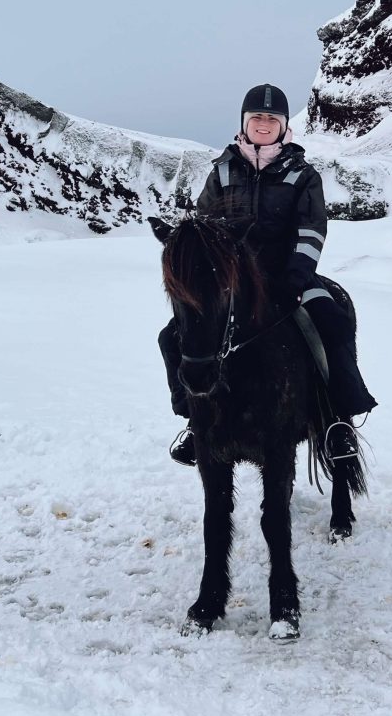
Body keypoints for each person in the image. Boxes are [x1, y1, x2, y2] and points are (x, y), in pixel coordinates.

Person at [160, 83, 377, 465]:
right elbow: (203, 230)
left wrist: (295, 276)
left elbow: (312, 230)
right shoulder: (223, 171)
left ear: (283, 126)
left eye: (271, 118)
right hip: (234, 284)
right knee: (171, 337)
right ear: (244, 123)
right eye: (256, 117)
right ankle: (195, 423)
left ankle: (337, 421)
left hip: (289, 276)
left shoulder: (302, 173)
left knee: (333, 323)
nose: (263, 124)